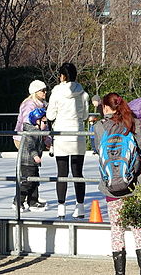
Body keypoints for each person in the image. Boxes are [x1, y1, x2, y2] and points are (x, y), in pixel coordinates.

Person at [93, 92, 141, 275]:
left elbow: (97, 149)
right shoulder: (133, 123)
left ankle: (120, 273)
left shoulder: (99, 127)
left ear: (105, 107)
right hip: (134, 186)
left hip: (111, 189)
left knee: (116, 230)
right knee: (138, 230)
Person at [46, 62, 89, 219]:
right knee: (78, 172)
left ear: (62, 76)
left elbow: (50, 115)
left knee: (62, 172)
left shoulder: (56, 93)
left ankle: (61, 207)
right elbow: (84, 116)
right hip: (77, 134)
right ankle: (81, 206)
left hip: (62, 134)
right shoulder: (83, 94)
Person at [13, 107, 48, 212]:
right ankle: (18, 201)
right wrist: (35, 156)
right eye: (44, 122)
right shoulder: (32, 132)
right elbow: (30, 146)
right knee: (27, 182)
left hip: (32, 163)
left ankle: (33, 202)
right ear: (37, 121)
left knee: (35, 181)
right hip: (27, 161)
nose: (46, 125)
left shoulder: (37, 132)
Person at [13, 79, 48, 150]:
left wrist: (47, 139)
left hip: (36, 137)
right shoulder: (28, 104)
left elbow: (45, 124)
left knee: (35, 159)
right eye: (42, 90)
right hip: (24, 138)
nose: (45, 92)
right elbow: (27, 123)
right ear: (35, 92)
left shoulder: (43, 105)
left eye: (45, 90)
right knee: (28, 160)